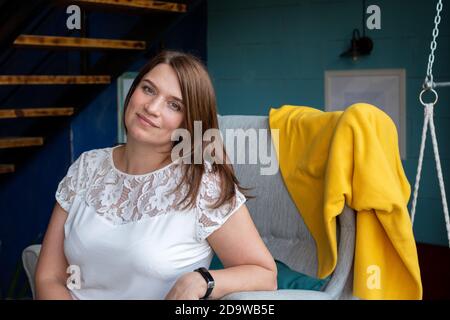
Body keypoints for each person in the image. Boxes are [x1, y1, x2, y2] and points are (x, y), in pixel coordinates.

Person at [35, 50, 277, 300]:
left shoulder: (204, 183)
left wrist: (202, 280)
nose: (151, 108)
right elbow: (49, 276)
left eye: (174, 105)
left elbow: (265, 275)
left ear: (189, 121)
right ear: (133, 91)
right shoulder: (86, 166)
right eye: (148, 89)